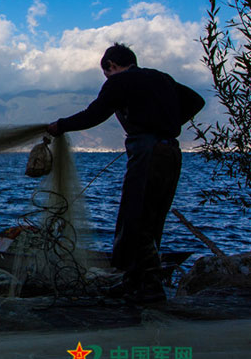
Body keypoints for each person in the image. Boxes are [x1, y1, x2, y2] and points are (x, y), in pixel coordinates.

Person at [47, 43, 205, 304]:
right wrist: (167, 123)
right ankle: (135, 280)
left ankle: (150, 286)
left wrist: (60, 126)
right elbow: (196, 101)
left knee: (137, 216)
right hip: (171, 153)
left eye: (106, 72)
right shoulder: (161, 77)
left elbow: (93, 115)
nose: (107, 77)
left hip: (147, 154)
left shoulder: (119, 82)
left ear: (111, 65)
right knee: (153, 215)